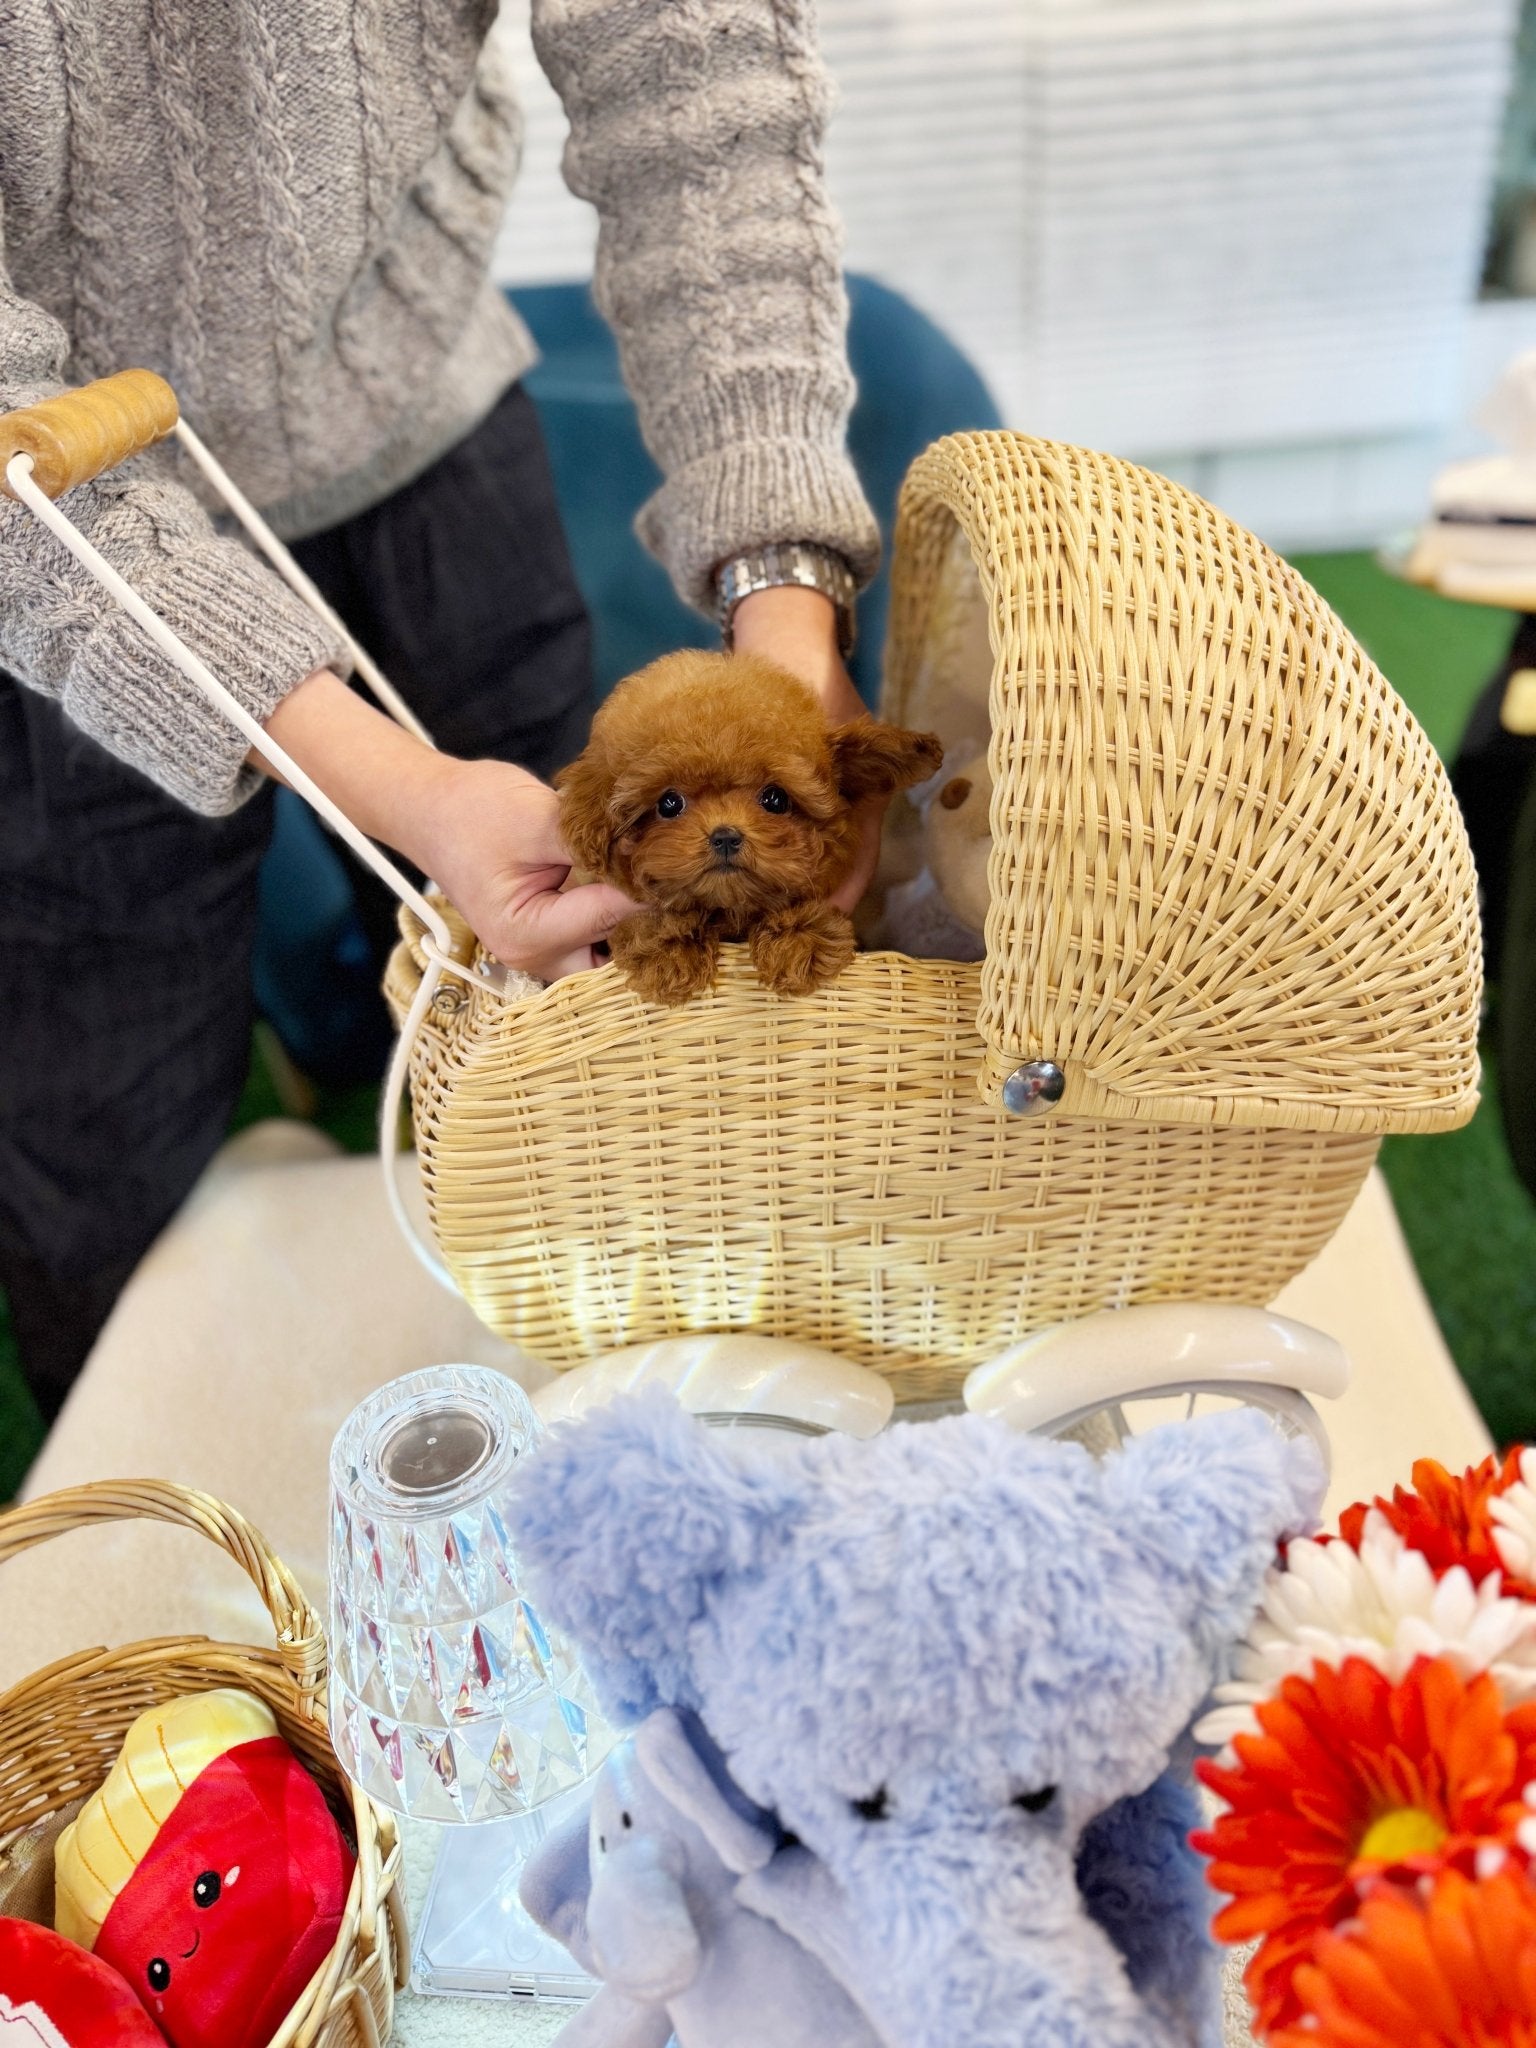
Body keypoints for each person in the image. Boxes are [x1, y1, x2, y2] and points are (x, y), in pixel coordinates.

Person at [0, 0, 882, 1421]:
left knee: (578, 1033)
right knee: (109, 1125)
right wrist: (402, 791)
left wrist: (782, 615)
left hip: (419, 398)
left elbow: (700, 94)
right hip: (54, 532)